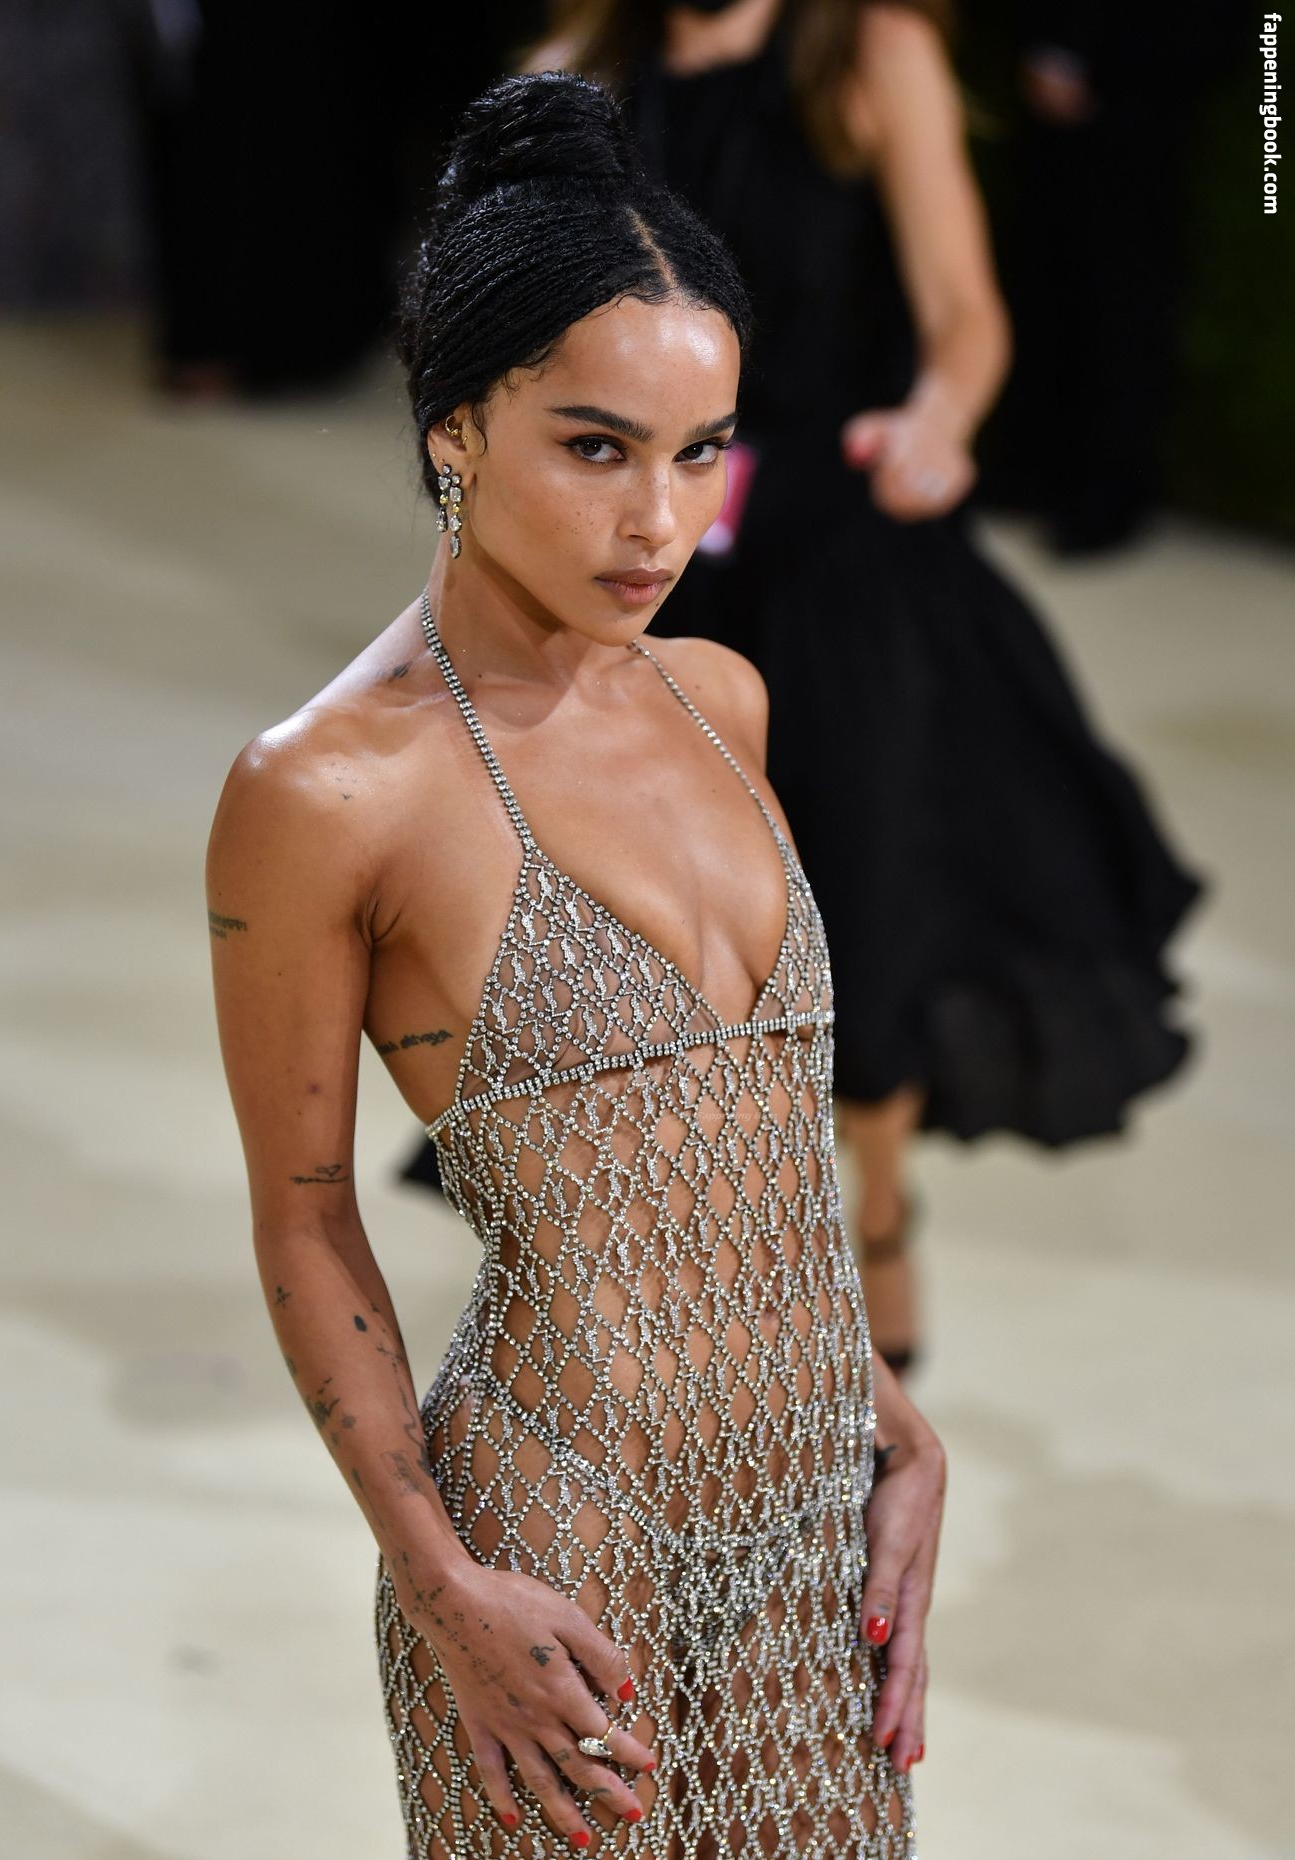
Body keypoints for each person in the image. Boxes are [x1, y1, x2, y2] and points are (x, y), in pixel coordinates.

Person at [207, 71, 945, 1860]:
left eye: (701, 454)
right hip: (554, 1535)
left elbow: (738, 1146)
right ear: (454, 427)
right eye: (596, 448)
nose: (659, 521)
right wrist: (441, 1583)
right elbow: (303, 1217)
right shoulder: (327, 791)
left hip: (809, 1511)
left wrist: (886, 1410)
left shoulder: (721, 700)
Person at [467, 0, 1202, 1373]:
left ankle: (872, 1213)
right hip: (650, 561)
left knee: (863, 916)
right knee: (638, 929)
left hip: (835, 550)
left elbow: (963, 314)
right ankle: (699, 1245)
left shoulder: (872, 52)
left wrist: (941, 419)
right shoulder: (584, 69)